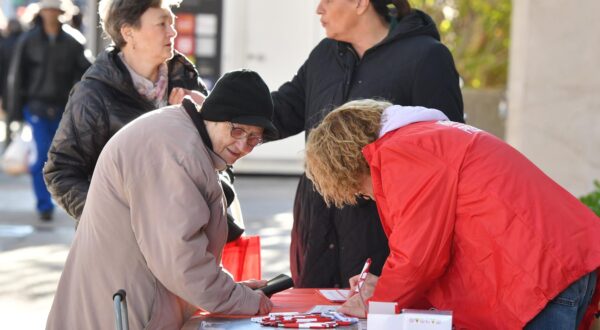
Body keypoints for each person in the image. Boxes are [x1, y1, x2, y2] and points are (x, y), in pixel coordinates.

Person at [304, 99, 600, 329]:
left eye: (357, 188)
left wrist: (376, 305)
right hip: (560, 264)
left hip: (542, 275)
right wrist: (384, 290)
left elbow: (418, 257)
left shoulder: (401, 152)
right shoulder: (427, 138)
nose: (365, 196)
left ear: (348, 165)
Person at [46, 70, 279, 329]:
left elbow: (184, 250)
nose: (244, 146)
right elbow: (180, 259)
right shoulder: (174, 151)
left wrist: (228, 289)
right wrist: (236, 298)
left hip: (128, 302)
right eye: (237, 131)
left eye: (254, 138)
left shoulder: (182, 135)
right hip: (125, 312)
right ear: (214, 115)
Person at [271, 0, 464, 288]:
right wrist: (220, 113)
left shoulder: (427, 57)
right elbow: (284, 110)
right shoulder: (324, 55)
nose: (318, 9)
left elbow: (444, 155)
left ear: (360, 3)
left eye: (327, 0)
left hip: (382, 234)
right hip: (317, 230)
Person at [43, 0, 207, 225]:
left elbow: (217, 156)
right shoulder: (94, 93)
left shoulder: (185, 76)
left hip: (186, 234)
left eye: (172, 22)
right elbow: (61, 171)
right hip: (123, 244)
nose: (173, 31)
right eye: (161, 24)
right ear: (128, 32)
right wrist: (113, 219)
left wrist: (205, 113)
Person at [5, 0, 91, 221]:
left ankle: (59, 199)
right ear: (40, 12)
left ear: (62, 12)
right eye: (47, 9)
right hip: (36, 107)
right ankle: (44, 205)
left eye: (55, 9)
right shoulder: (28, 41)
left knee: (65, 159)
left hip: (64, 108)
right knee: (42, 155)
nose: (51, 13)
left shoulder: (73, 41)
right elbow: (16, 76)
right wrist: (14, 112)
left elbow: (89, 74)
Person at [0, 18, 23, 136]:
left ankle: (10, 140)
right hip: (23, 87)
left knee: (9, 116)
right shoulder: (25, 41)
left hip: (6, 86)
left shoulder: (4, 44)